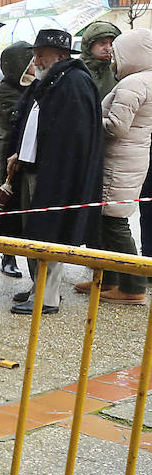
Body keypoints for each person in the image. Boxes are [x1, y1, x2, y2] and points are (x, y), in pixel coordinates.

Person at [4, 28, 104, 315]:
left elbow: (73, 138)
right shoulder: (50, 81)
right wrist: (19, 154)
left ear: (60, 56)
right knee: (34, 231)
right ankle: (39, 287)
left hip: (55, 174)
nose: (35, 60)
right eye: (35, 54)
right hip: (36, 169)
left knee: (49, 233)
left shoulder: (73, 82)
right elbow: (32, 123)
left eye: (41, 55)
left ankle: (47, 297)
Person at [86, 29, 152, 304]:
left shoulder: (133, 84)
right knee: (108, 219)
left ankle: (133, 286)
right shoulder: (144, 79)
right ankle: (110, 279)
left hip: (120, 160)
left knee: (114, 221)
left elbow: (116, 126)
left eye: (116, 54)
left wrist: (87, 122)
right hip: (131, 157)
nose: (112, 60)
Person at [0, 41, 31, 277]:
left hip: (26, 152)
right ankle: (8, 256)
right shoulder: (5, 89)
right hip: (8, 150)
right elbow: (15, 117)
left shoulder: (35, 86)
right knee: (8, 204)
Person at [80, 20, 122, 101]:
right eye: (102, 43)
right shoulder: (78, 70)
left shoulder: (117, 71)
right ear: (89, 45)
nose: (108, 48)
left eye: (111, 44)